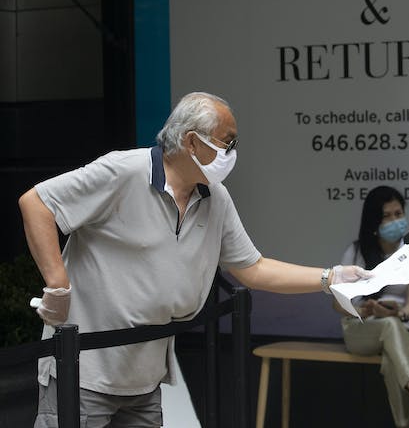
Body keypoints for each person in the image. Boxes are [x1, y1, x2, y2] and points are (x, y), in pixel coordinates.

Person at [18, 92, 370, 428]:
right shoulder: (123, 171)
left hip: (144, 376)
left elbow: (253, 268)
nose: (232, 153)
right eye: (226, 142)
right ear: (191, 142)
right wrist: (58, 283)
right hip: (85, 369)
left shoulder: (216, 197)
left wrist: (331, 277)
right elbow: (36, 203)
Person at [334, 186, 409, 427]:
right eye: (388, 216)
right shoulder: (356, 252)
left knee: (391, 343)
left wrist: (396, 312)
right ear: (374, 222)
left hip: (404, 326)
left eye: (399, 214)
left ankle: (405, 421)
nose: (395, 220)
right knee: (388, 326)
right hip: (361, 329)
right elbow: (337, 304)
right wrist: (363, 310)